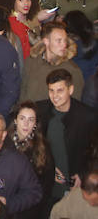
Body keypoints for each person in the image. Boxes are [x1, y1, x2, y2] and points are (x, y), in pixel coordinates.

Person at [36, 69, 98, 202]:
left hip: (75, 186)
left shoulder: (87, 117)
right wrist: (48, 168)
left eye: (60, 90)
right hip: (47, 186)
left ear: (70, 90)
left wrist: (84, 174)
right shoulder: (41, 111)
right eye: (51, 90)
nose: (55, 96)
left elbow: (94, 152)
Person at [21, 21, 85, 103]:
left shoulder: (72, 70)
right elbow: (23, 92)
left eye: (65, 40)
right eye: (59, 41)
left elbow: (75, 103)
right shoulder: (31, 62)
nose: (64, 45)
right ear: (46, 41)